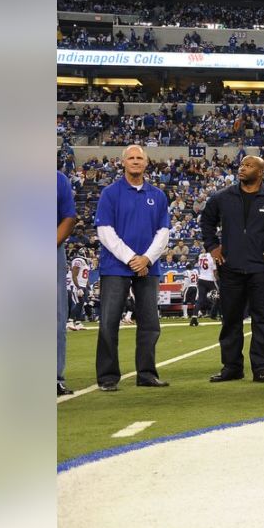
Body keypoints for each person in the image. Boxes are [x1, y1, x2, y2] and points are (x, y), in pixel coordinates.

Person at [200, 155, 264, 384]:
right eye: (241, 165)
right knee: (231, 319)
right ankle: (231, 367)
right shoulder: (222, 197)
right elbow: (206, 222)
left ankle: (261, 368)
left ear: (261, 171)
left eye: (248, 165)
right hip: (231, 268)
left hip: (262, 268)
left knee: (263, 319)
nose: (242, 168)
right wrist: (212, 247)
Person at [94, 145, 171, 391]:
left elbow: (164, 232)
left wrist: (146, 259)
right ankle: (107, 377)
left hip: (148, 268)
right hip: (116, 267)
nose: (136, 161)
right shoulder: (110, 193)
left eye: (140, 158)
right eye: (132, 158)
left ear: (146, 163)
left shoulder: (158, 195)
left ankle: (146, 373)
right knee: (109, 321)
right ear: (123, 162)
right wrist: (132, 259)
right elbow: (105, 231)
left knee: (149, 322)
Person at [57, 171, 78, 396]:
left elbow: (69, 217)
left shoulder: (57, 179)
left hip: (52, 246)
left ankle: (54, 377)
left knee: (56, 316)